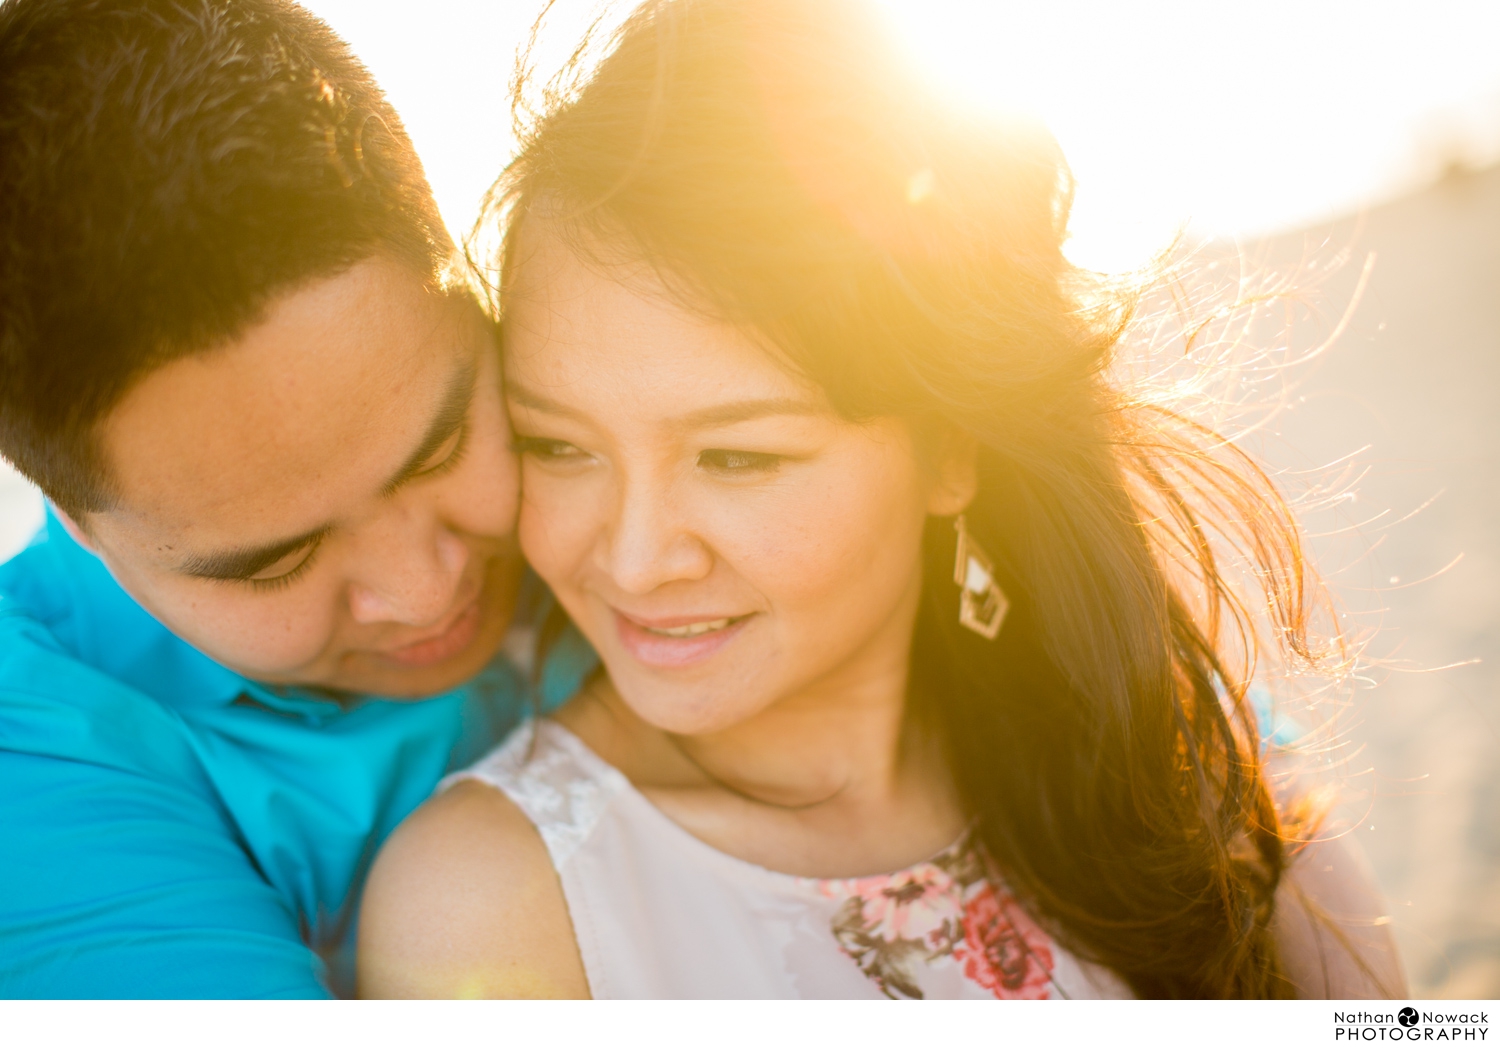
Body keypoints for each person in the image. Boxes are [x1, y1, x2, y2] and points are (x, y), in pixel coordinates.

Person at [358, 0, 1408, 999]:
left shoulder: (1167, 763)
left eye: (738, 458)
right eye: (557, 444)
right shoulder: (495, 899)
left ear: (952, 450)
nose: (631, 560)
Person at [0, 0, 589, 997]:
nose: (420, 587)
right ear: (78, 523)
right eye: (274, 561)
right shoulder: (35, 762)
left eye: (438, 448)